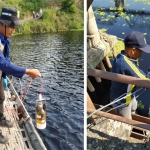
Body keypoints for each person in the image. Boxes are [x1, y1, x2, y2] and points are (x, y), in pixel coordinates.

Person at [0, 7, 41, 143]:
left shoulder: (4, 39)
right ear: (1, 24)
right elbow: (3, 64)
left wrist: (5, 76)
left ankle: (0, 118)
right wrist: (27, 71)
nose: (13, 30)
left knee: (1, 97)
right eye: (12, 26)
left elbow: (5, 61)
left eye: (15, 27)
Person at [110, 31, 150, 119]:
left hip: (128, 94)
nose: (142, 54)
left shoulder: (122, 56)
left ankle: (133, 113)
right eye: (141, 51)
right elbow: (146, 82)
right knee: (127, 122)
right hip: (122, 103)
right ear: (133, 50)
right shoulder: (126, 64)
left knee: (134, 107)